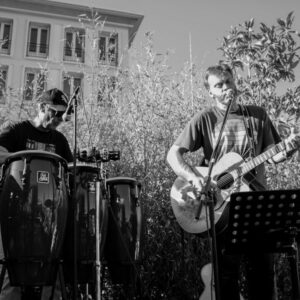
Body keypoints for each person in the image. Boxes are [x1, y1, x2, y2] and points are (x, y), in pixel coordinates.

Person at [167, 64, 300, 300]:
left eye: (228, 81)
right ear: (210, 91)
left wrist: (288, 148)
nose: (226, 87)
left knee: (263, 276)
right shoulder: (205, 119)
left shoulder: (257, 115)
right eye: (219, 85)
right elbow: (173, 154)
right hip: (222, 210)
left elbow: (274, 154)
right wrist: (194, 178)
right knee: (225, 276)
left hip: (258, 205)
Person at [0, 88, 73, 299]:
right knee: (10, 274)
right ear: (42, 107)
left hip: (50, 216)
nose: (60, 118)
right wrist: (20, 157)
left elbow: (70, 169)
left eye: (63, 114)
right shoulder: (17, 130)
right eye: (56, 112)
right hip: (15, 212)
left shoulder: (59, 141)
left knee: (50, 274)